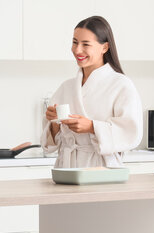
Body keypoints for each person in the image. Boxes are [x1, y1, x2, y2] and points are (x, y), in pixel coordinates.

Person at [42, 16, 143, 168]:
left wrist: (91, 126)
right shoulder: (66, 87)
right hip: (66, 168)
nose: (77, 50)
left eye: (85, 44)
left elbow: (131, 133)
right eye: (75, 42)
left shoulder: (121, 85)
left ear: (105, 47)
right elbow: (49, 144)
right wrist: (55, 123)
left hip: (101, 168)